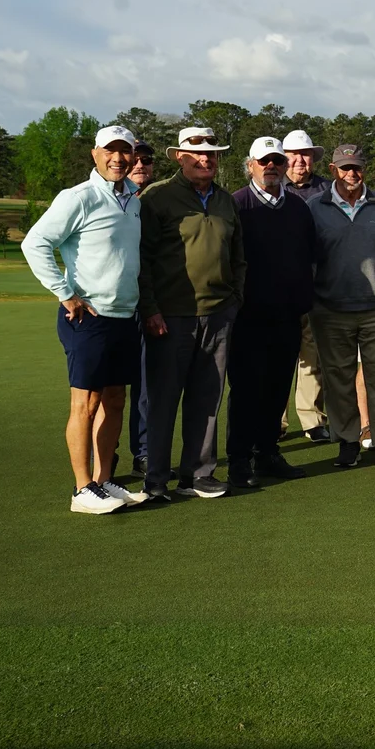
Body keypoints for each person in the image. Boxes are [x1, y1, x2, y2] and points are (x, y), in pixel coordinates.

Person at [22, 125, 149, 513]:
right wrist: (65, 293)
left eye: (125, 151)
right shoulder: (79, 197)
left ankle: (103, 481)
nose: (118, 158)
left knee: (115, 399)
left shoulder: (133, 198)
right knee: (86, 403)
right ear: (95, 155)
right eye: (110, 151)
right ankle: (82, 490)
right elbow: (35, 242)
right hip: (88, 317)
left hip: (124, 315)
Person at [138, 126, 247, 498]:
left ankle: (198, 474)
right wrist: (150, 309)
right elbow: (143, 260)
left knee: (207, 399)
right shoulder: (158, 198)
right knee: (164, 400)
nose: (206, 159)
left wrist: (235, 301)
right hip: (170, 316)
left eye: (213, 154)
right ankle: (155, 479)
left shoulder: (224, 200)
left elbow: (238, 257)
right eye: (198, 154)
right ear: (180, 158)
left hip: (218, 314)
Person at [307, 144, 375, 469]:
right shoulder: (315, 207)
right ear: (333, 170)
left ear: (364, 170)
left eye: (356, 167)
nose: (351, 173)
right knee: (338, 379)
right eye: (344, 168)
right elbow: (307, 258)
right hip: (330, 308)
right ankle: (348, 442)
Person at [225, 137, 314, 488]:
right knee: (247, 389)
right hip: (248, 317)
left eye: (277, 160)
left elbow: (309, 255)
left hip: (288, 315)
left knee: (277, 388)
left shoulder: (296, 207)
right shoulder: (237, 205)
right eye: (264, 161)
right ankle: (238, 460)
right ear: (251, 165)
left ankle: (267, 453)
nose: (271, 167)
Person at [282, 129, 332, 443]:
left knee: (312, 357)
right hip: (279, 289)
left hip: (316, 287)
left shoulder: (328, 191)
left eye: (306, 155)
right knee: (280, 356)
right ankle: (275, 421)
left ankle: (312, 419)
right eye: (295, 154)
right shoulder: (271, 187)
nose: (301, 161)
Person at [125, 140, 156, 477]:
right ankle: (100, 461)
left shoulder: (160, 201)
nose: (139, 165)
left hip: (150, 305)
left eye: (146, 160)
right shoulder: (106, 199)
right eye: (134, 160)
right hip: (111, 307)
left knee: (147, 389)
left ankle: (144, 454)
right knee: (106, 391)